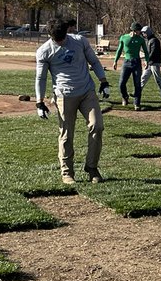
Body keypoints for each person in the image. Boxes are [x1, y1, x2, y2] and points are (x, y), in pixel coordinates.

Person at [34, 17, 111, 185]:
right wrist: (39, 102)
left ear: (67, 31)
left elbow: (94, 61)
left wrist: (103, 81)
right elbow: (41, 78)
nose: (61, 41)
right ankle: (67, 172)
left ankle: (92, 168)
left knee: (97, 126)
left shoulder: (80, 41)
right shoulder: (44, 51)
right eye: (57, 39)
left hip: (86, 92)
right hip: (64, 96)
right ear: (50, 35)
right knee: (66, 134)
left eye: (63, 37)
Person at [112, 22, 148, 110]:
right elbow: (119, 50)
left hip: (136, 62)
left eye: (140, 31)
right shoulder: (124, 38)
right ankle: (125, 96)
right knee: (121, 83)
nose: (140, 32)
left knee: (137, 84)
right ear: (133, 30)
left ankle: (137, 103)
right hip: (126, 62)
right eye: (138, 30)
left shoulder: (140, 40)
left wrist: (146, 60)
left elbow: (146, 52)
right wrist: (115, 61)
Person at [139, 25, 161, 102]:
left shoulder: (154, 40)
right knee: (143, 78)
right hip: (149, 63)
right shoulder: (149, 40)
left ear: (148, 32)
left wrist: (146, 59)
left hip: (155, 63)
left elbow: (153, 53)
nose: (143, 34)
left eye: (144, 33)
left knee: (158, 79)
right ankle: (137, 92)